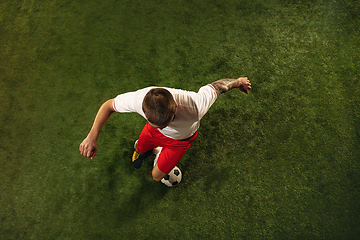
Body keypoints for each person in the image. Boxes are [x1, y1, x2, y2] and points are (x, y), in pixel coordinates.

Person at [79, 77, 251, 181]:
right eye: (160, 125)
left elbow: (218, 87)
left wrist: (238, 82)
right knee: (139, 150)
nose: (166, 127)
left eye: (168, 122)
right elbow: (109, 105)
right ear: (145, 113)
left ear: (176, 106)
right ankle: (151, 145)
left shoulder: (195, 105)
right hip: (152, 133)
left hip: (181, 141)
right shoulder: (138, 99)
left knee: (156, 177)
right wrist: (91, 137)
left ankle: (160, 153)